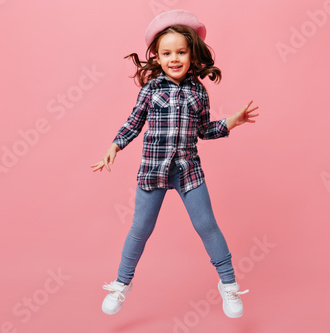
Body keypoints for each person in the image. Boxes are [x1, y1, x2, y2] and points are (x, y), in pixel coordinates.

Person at [91, 9, 259, 318]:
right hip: (153, 172)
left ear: (192, 54)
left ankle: (229, 285)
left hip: (188, 171)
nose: (174, 58)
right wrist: (114, 146)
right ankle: (121, 284)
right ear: (156, 57)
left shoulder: (198, 92)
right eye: (167, 53)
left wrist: (231, 123)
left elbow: (204, 130)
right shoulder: (151, 90)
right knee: (140, 228)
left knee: (207, 226)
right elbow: (133, 123)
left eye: (181, 51)